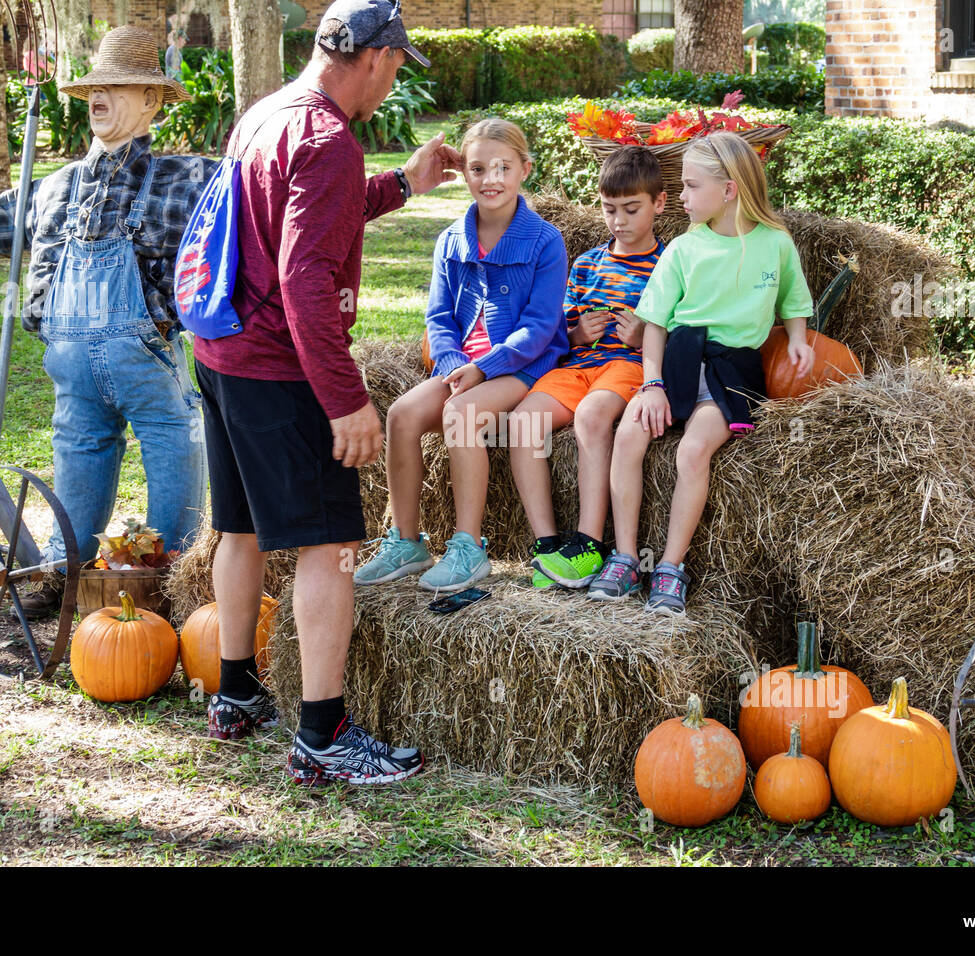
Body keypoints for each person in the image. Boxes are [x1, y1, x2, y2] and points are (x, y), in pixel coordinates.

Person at [191, 0, 462, 783]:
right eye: (398, 67)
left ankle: (236, 692)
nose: (394, 82)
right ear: (377, 58)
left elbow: (296, 218)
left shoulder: (269, 112)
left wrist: (400, 187)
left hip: (220, 351)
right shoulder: (329, 139)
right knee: (332, 543)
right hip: (280, 364)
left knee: (238, 527)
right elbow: (304, 272)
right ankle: (323, 734)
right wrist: (346, 399)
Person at [0, 26, 211, 618]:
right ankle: (65, 581)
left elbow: (258, 210)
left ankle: (177, 589)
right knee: (79, 459)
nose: (99, 97)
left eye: (117, 87)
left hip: (146, 356)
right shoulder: (58, 186)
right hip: (71, 372)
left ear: (152, 100)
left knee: (175, 447)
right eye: (95, 87)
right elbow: (0, 221)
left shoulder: (186, 179)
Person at [587, 132, 815, 615]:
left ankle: (670, 567)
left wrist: (796, 338)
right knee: (630, 434)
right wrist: (651, 386)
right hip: (678, 362)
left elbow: (794, 301)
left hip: (734, 370)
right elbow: (653, 327)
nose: (683, 198)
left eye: (690, 187)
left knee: (693, 451)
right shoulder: (683, 251)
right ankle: (626, 556)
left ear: (729, 190)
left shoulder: (776, 243)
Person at [352, 118, 569, 594]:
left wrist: (481, 369)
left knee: (462, 413)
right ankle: (406, 541)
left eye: (503, 168)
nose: (490, 179)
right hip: (462, 368)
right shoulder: (451, 240)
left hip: (522, 368)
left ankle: (469, 546)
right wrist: (452, 366)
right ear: (463, 173)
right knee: (404, 414)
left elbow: (538, 330)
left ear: (524, 170)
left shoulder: (544, 241)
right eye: (478, 168)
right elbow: (438, 318)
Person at [507, 147, 666, 589]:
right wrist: (577, 334)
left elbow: (680, 332)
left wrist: (643, 337)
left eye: (631, 210)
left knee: (594, 415)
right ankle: (546, 544)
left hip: (627, 365)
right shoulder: (587, 263)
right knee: (522, 421)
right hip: (578, 366)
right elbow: (559, 327)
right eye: (609, 209)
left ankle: (589, 543)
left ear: (660, 203)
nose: (619, 221)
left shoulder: (668, 265)